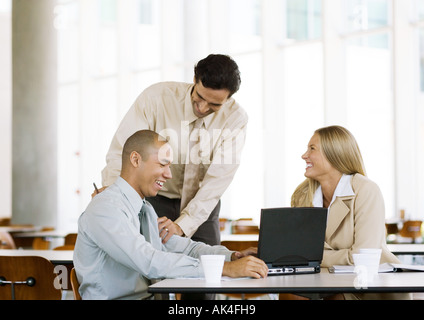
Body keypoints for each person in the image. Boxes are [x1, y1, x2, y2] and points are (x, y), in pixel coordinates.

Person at [74, 130, 267, 300]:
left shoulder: (145, 209)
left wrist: (232, 257)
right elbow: (148, 260)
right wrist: (226, 270)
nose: (169, 175)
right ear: (135, 160)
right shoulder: (105, 208)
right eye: (162, 165)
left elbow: (186, 249)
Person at [99, 54, 247, 247]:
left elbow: (218, 180)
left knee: (209, 265)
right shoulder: (156, 98)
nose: (202, 108)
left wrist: (183, 225)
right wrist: (114, 196)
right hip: (155, 197)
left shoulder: (236, 119)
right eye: (200, 97)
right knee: (149, 264)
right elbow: (124, 151)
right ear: (194, 80)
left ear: (228, 99)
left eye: (214, 104)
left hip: (201, 203)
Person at [291, 125, 411, 300]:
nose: (304, 155)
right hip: (322, 282)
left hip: (366, 287)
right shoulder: (301, 195)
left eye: (312, 149)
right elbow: (296, 251)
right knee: (290, 296)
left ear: (334, 154)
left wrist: (312, 258)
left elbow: (362, 256)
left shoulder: (365, 190)